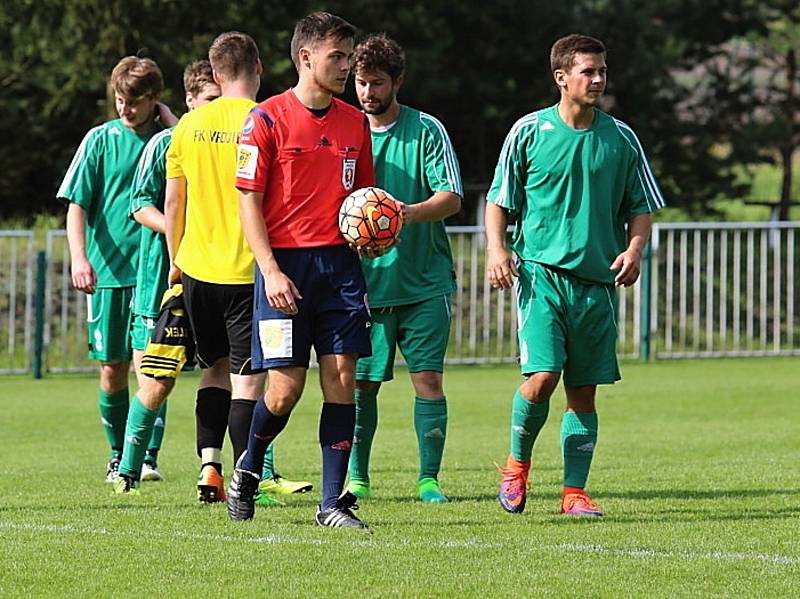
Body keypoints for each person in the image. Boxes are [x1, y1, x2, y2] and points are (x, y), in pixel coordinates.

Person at [485, 34, 665, 517]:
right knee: (542, 377)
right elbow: (499, 199)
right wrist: (497, 249)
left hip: (598, 283)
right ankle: (516, 466)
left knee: (583, 390)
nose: (599, 79)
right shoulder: (528, 131)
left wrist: (634, 248)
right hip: (542, 276)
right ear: (561, 77)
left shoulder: (621, 137)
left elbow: (640, 206)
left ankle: (573, 494)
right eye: (588, 71)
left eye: (602, 70)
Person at [231, 12, 375, 528]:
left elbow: (363, 196)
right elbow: (248, 201)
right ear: (306, 57)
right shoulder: (265, 119)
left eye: (348, 56)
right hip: (283, 267)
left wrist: (375, 230)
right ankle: (248, 468)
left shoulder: (355, 123)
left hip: (339, 266)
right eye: (337, 56)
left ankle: (332, 502)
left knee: (342, 379)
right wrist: (269, 270)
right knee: (284, 390)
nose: (346, 66)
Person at [164, 32, 311, 504]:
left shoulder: (188, 125)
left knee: (213, 370)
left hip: (197, 269)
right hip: (250, 270)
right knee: (249, 379)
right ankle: (244, 477)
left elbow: (174, 200)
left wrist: (175, 263)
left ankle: (209, 463)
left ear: (215, 71)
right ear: (259, 67)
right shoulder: (267, 118)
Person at [345, 34, 462, 503]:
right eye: (360, 82)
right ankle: (358, 477)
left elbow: (451, 197)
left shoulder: (427, 130)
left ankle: (428, 479)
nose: (367, 93)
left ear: (398, 82)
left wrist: (404, 214)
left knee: (428, 381)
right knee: (360, 386)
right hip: (364, 287)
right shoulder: (344, 131)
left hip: (423, 282)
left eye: (376, 83)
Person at [58, 56, 172, 482]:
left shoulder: (168, 141)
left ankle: (145, 458)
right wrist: (79, 257)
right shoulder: (99, 140)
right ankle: (116, 453)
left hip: (154, 274)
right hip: (107, 274)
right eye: (120, 99)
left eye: (135, 101)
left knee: (154, 367)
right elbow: (77, 205)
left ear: (154, 100)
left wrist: (171, 121)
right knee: (112, 368)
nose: (125, 109)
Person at [111, 60, 221, 493]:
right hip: (163, 282)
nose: (219, 108)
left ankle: (246, 471)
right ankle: (128, 468)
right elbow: (139, 206)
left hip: (217, 278)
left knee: (234, 373)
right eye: (209, 99)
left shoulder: (234, 141)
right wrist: (182, 231)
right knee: (156, 383)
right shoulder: (163, 145)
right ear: (190, 100)